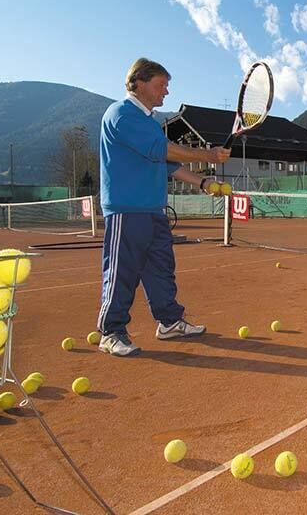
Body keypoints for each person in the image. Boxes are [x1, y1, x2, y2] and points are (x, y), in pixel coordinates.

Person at [97, 58, 231, 357]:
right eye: (161, 85)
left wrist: (202, 182)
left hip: (154, 210)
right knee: (122, 273)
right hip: (127, 210)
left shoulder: (150, 123)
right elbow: (164, 150)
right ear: (138, 83)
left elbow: (168, 164)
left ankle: (169, 322)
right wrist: (208, 155)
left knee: (161, 270)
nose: (166, 91)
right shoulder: (122, 114)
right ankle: (110, 332)